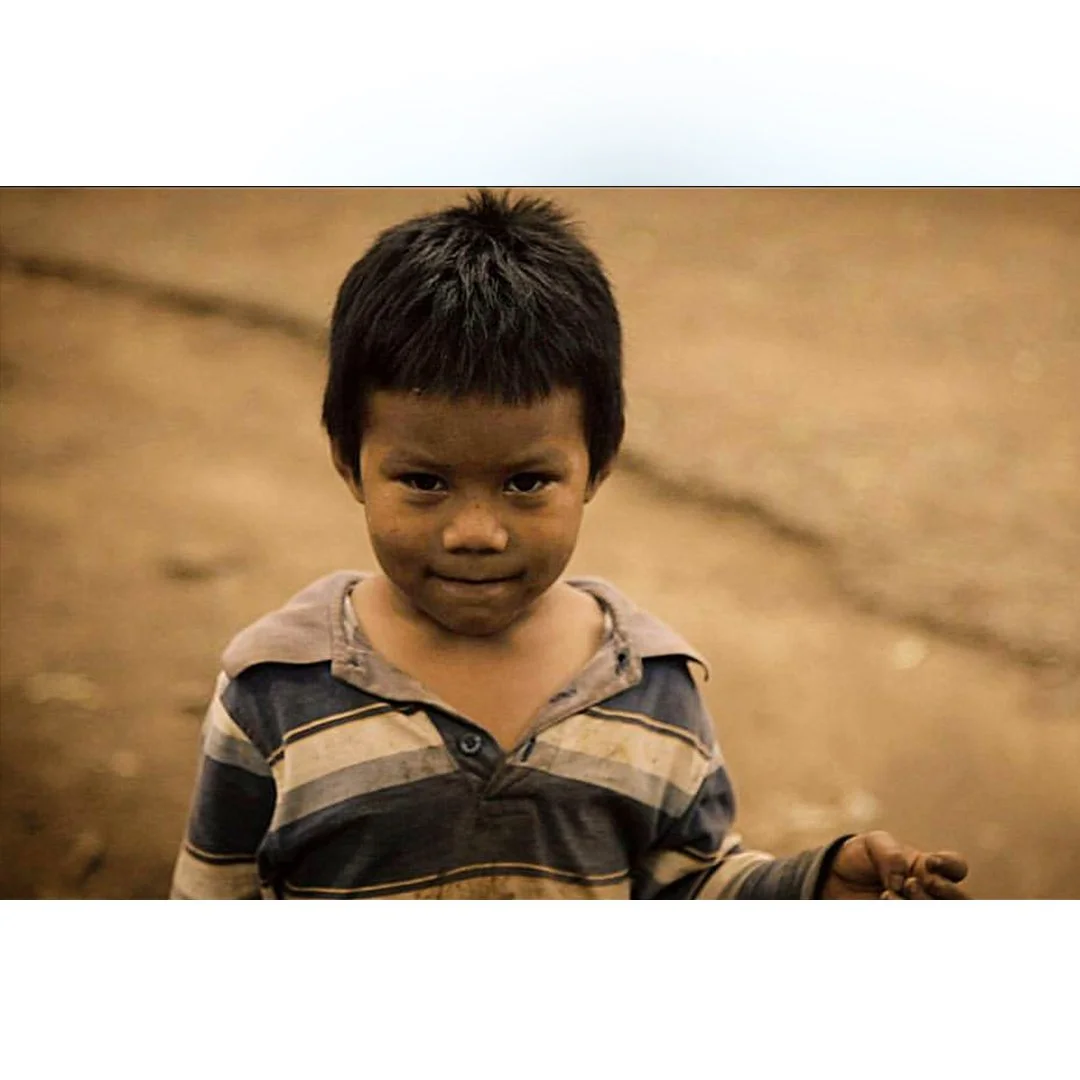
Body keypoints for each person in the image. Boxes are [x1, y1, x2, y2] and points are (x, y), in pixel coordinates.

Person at [170, 190, 969, 900]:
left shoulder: (651, 691)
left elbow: (685, 883)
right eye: (423, 480)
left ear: (599, 465)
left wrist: (811, 887)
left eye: (525, 483)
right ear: (350, 463)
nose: (475, 533)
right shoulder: (276, 691)